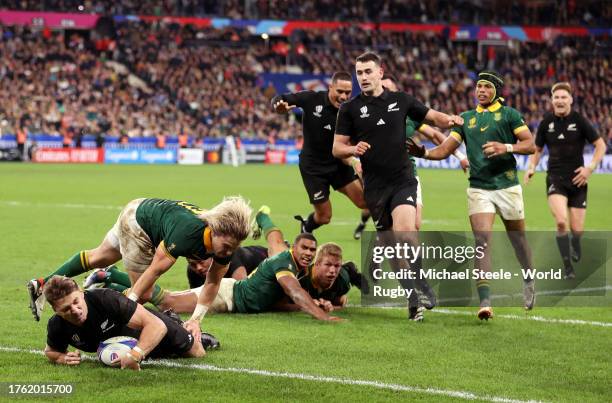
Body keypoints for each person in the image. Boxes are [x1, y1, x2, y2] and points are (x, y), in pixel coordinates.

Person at [332, 52, 463, 321]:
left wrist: (453, 119)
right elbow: (337, 147)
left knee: (406, 233)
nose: (364, 77)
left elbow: (433, 117)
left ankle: (422, 283)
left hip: (403, 179)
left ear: (381, 72)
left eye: (368, 71)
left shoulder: (401, 100)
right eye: (359, 73)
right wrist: (353, 149)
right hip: (374, 187)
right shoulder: (349, 109)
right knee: (392, 249)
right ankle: (412, 297)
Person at [27, 196, 252, 342]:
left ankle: (41, 284)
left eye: (233, 248)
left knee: (99, 256)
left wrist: (195, 320)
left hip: (140, 207)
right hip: (139, 224)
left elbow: (213, 282)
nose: (228, 252)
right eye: (226, 246)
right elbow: (153, 271)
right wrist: (127, 305)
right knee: (143, 292)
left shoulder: (225, 245)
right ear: (214, 231)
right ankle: (108, 322)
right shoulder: (187, 235)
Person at [407, 70, 536, 320]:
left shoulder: (509, 115)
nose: (481, 91)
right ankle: (485, 302)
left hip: (508, 186)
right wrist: (422, 153)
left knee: (518, 241)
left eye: (487, 87)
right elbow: (445, 149)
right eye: (478, 87)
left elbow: (530, 145)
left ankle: (529, 277)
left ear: (496, 90)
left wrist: (505, 147)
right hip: (479, 187)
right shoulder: (466, 119)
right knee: (481, 242)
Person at [148, 207, 343, 321]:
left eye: (312, 250)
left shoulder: (292, 261)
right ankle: (118, 280)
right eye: (305, 249)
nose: (308, 253)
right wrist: (322, 316)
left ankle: (263, 216)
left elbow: (281, 302)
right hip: (229, 294)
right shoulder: (285, 261)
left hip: (234, 296)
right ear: (294, 248)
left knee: (275, 241)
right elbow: (296, 293)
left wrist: (318, 304)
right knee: (167, 302)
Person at [271, 71, 370, 238]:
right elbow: (280, 98)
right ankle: (306, 227)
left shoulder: (352, 111)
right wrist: (278, 107)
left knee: (364, 202)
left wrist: (355, 161)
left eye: (347, 92)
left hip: (338, 164)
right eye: (339, 91)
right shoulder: (312, 99)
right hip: (313, 168)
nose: (344, 96)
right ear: (330, 87)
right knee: (324, 217)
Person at [524, 82, 607, 279]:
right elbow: (537, 150)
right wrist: (531, 168)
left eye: (563, 97)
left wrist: (590, 168)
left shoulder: (580, 121)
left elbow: (600, 145)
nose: (560, 101)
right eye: (557, 97)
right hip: (555, 178)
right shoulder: (546, 122)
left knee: (577, 229)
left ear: (570, 99)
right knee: (561, 222)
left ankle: (576, 242)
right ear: (552, 101)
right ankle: (567, 267)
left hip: (578, 181)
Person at [43, 276, 210, 371]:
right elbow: (50, 351)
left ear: (81, 292)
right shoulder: (57, 325)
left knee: (197, 352)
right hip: (130, 343)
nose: (75, 310)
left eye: (76, 302)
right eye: (66, 309)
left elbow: (156, 326)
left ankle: (186, 327)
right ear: (56, 310)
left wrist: (135, 355)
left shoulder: (105, 299)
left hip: (149, 327)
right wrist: (61, 358)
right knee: (160, 355)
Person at [381, 75, 470, 230]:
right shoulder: (371, 114)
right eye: (382, 89)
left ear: (397, 91)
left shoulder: (407, 115)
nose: (385, 92)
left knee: (415, 224)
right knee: (392, 227)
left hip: (408, 173)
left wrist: (460, 156)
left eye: (388, 88)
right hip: (382, 176)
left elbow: (435, 135)